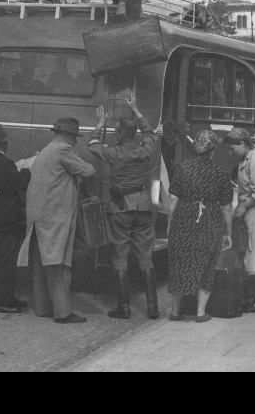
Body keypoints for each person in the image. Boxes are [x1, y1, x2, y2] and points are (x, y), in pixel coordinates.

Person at [16, 118, 96, 324]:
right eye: (74, 137)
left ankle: (42, 308)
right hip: (54, 216)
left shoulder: (46, 150)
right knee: (57, 264)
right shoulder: (63, 150)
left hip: (38, 215)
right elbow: (88, 171)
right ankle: (62, 312)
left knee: (40, 263)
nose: (75, 142)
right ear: (67, 136)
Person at [87, 93, 159, 320]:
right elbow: (149, 132)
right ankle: (153, 308)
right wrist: (136, 110)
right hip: (144, 206)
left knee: (120, 257)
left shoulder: (113, 152)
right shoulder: (145, 150)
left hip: (120, 208)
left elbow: (92, 144)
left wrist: (99, 124)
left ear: (118, 133)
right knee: (146, 258)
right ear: (133, 133)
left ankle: (124, 308)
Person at [167, 130, 233, 323]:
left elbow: (172, 199)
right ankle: (200, 313)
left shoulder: (183, 168)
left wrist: (171, 225)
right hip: (210, 220)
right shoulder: (221, 173)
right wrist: (228, 233)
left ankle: (175, 313)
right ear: (213, 149)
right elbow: (227, 207)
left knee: (178, 264)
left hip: (183, 218)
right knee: (206, 263)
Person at [224, 127, 255, 313]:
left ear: (242, 144)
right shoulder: (245, 160)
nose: (230, 153)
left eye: (232, 148)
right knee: (253, 255)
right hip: (253, 214)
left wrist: (244, 206)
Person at [0, 124, 29, 313]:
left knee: (2, 260)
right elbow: (20, 183)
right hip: (8, 219)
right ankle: (2, 302)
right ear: (4, 144)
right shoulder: (6, 163)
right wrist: (25, 169)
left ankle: (7, 298)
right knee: (7, 263)